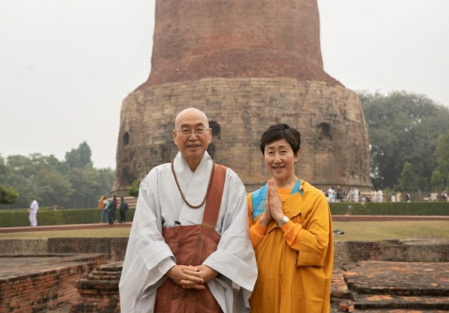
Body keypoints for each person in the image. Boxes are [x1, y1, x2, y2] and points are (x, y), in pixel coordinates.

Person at [119, 107, 257, 313]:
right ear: (175, 136)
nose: (193, 137)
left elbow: (237, 235)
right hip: (166, 283)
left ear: (209, 134)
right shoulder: (156, 179)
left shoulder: (229, 180)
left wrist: (212, 269)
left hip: (212, 284)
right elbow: (145, 232)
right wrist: (170, 269)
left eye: (199, 130)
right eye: (185, 130)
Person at [247, 123, 333, 313]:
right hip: (263, 294)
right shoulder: (253, 200)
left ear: (296, 155)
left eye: (283, 151)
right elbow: (241, 248)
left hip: (299, 296)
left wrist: (281, 219)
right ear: (263, 156)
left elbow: (318, 248)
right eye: (270, 152)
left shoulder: (314, 198)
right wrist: (263, 221)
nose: (277, 159)